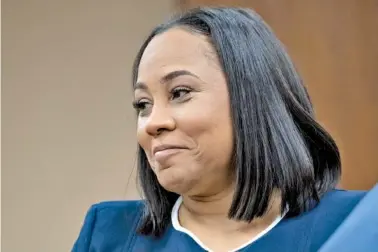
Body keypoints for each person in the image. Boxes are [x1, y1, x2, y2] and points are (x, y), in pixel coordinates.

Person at [72, 7, 369, 252]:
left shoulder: (358, 227)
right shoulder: (108, 235)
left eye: (179, 92)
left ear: (253, 98)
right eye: (143, 105)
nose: (152, 123)